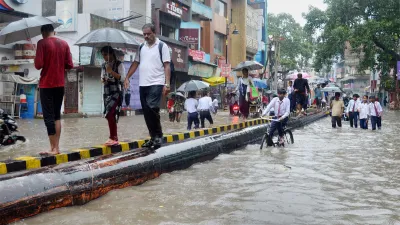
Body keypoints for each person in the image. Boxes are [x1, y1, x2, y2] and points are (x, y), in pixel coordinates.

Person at [124, 23, 171, 149]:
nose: (146, 36)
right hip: (143, 84)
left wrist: (167, 83)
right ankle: (153, 137)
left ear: (154, 33)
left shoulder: (162, 46)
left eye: (148, 34)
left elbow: (167, 66)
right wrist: (127, 77)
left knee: (152, 107)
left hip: (156, 82)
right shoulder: (141, 47)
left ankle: (158, 136)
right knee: (146, 112)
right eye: (144, 34)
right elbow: (135, 63)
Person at [34, 24, 73, 155]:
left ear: (43, 32)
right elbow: (69, 65)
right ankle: (56, 148)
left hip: (47, 84)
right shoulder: (64, 44)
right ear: (54, 32)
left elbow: (38, 65)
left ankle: (53, 148)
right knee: (56, 116)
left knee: (48, 117)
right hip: (60, 84)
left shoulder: (42, 43)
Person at [100, 46, 125, 146]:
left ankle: (113, 137)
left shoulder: (119, 64)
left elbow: (122, 78)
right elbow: (101, 78)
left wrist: (111, 72)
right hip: (107, 93)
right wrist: (104, 79)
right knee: (109, 115)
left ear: (111, 54)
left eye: (106, 55)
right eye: (103, 55)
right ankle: (113, 137)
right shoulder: (103, 65)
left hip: (116, 92)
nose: (104, 57)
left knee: (109, 113)